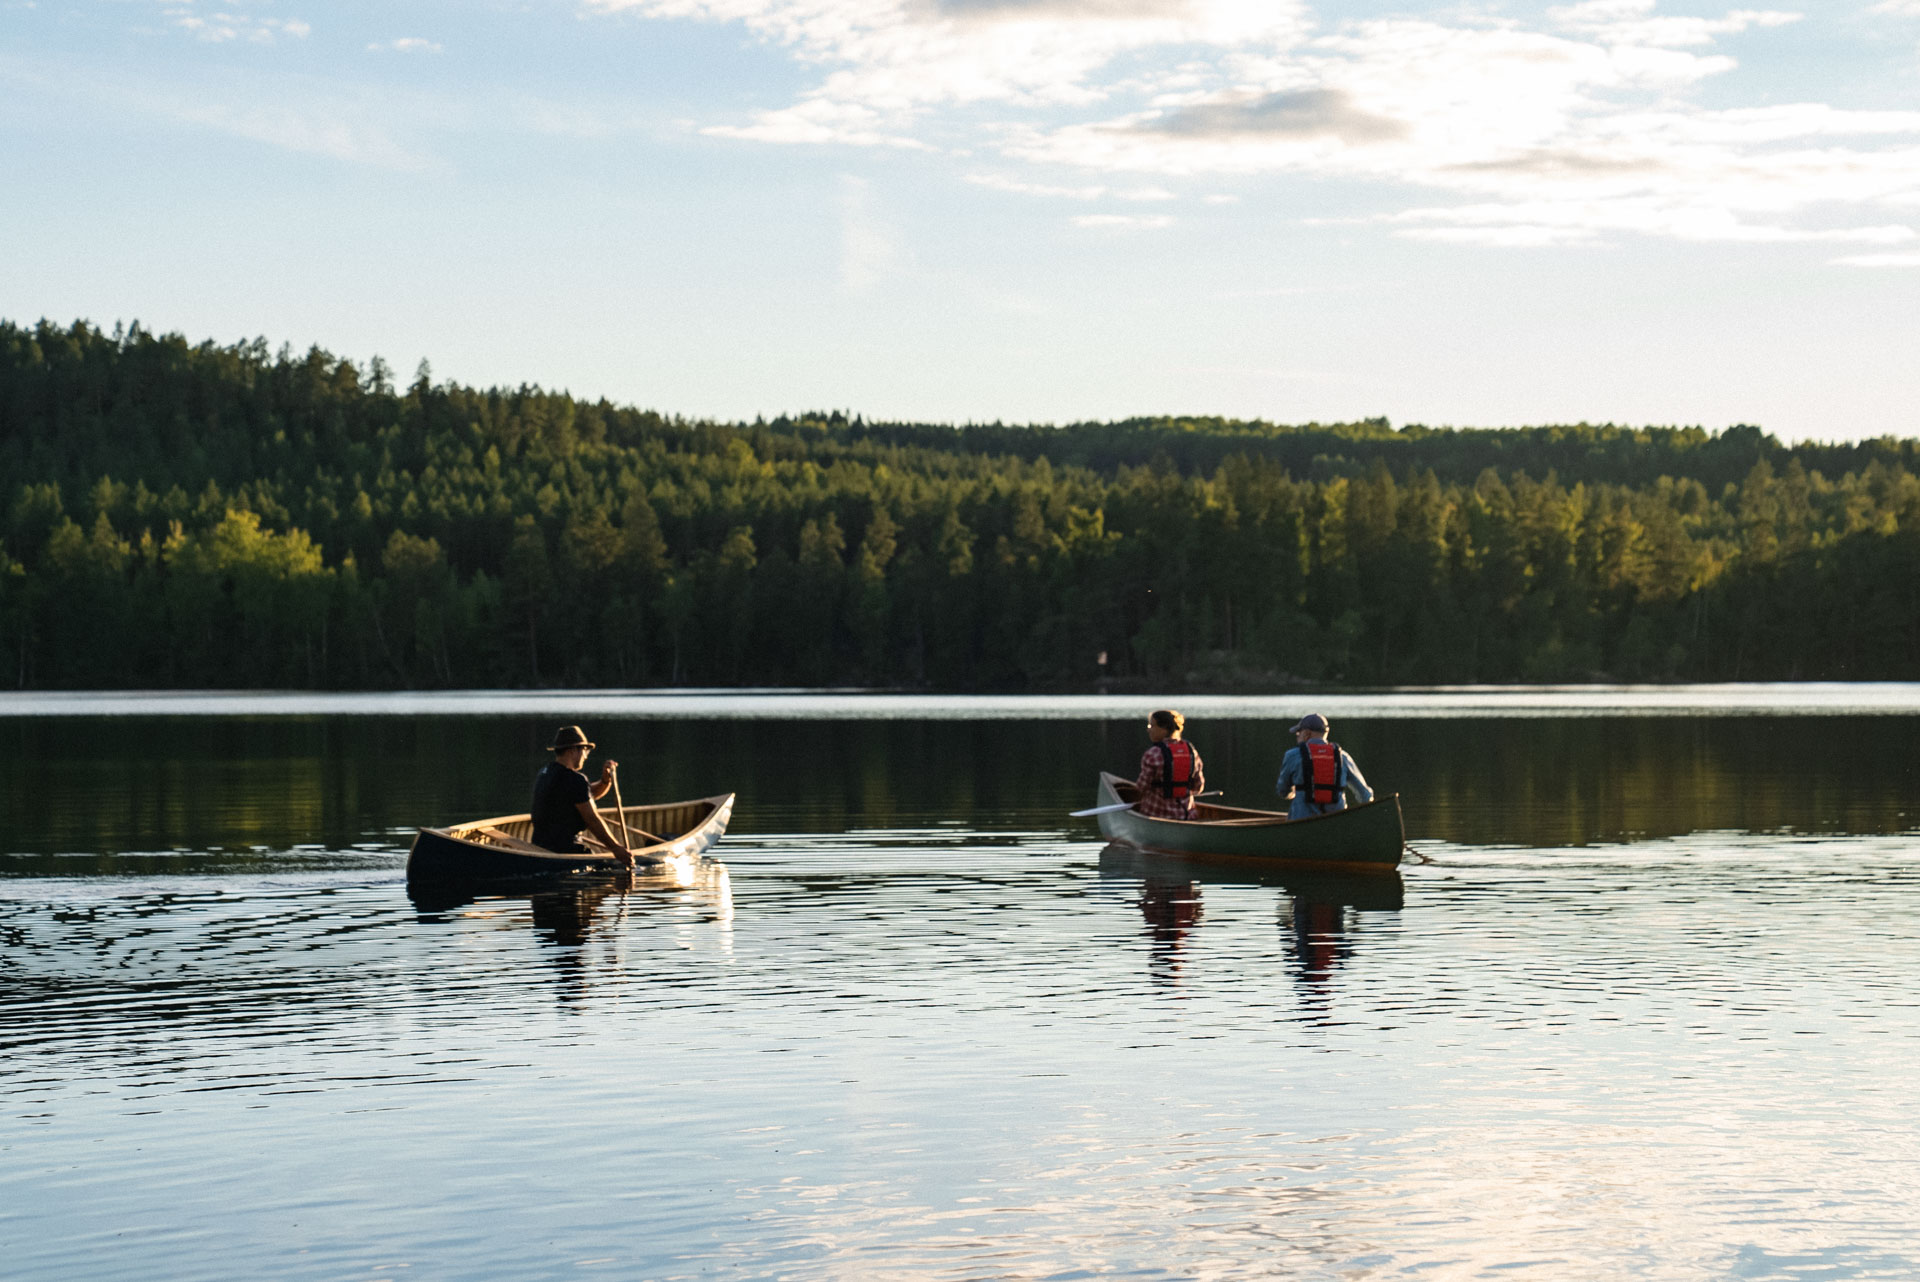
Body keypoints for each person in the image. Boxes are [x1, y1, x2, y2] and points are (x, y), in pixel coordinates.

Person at [531, 725, 637, 866]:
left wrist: (605, 780)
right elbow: (592, 819)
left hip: (539, 845)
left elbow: (585, 795)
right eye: (585, 750)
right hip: (566, 850)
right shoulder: (575, 779)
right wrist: (616, 848)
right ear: (573, 750)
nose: (586, 756)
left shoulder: (545, 773)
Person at [1275, 713, 1373, 820]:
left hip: (1300, 821)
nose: (1297, 736)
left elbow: (1282, 791)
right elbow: (1365, 795)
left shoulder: (1292, 755)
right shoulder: (1342, 757)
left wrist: (1293, 792)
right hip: (1337, 822)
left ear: (1307, 733)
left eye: (1299, 733)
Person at [1133, 709, 1206, 820]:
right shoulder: (1192, 752)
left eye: (1152, 726)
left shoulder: (1153, 754)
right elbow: (1198, 787)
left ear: (1164, 729)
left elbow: (1141, 788)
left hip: (1156, 815)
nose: (1148, 730)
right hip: (1186, 816)